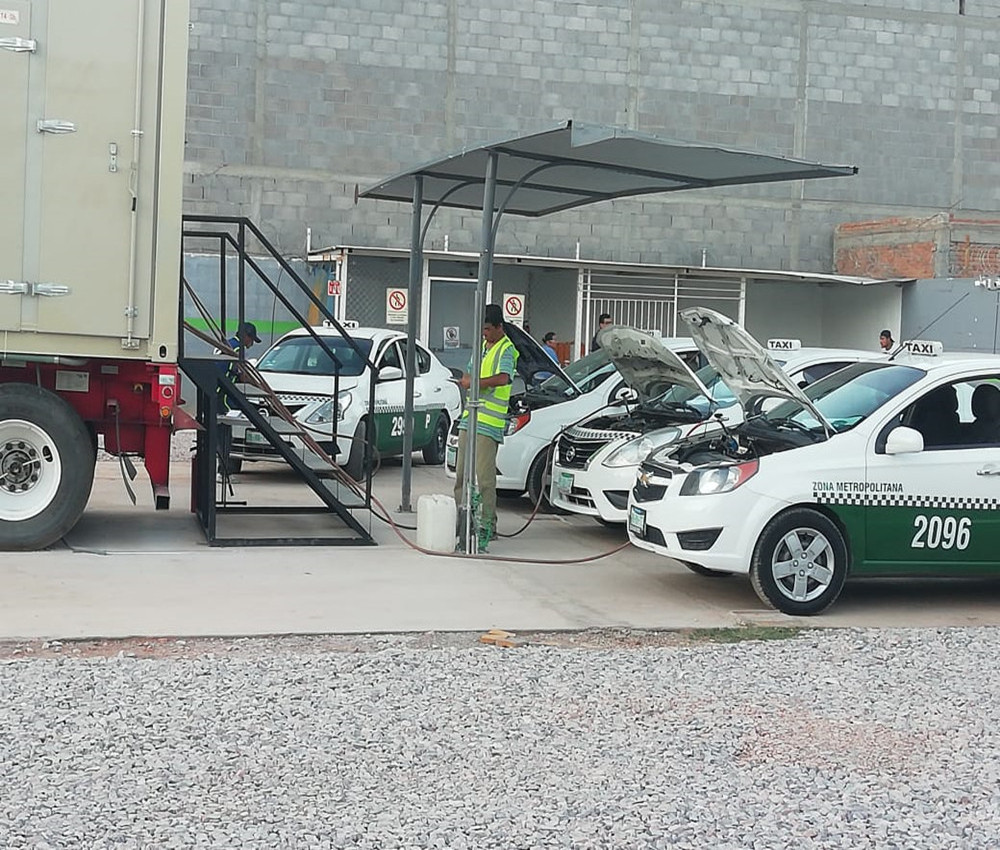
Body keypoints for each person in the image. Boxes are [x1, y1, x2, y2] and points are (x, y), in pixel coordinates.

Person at [453, 304, 518, 551]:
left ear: (499, 327)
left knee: (484, 478)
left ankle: (487, 526)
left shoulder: (507, 349)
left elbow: (504, 378)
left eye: (489, 329)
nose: (485, 334)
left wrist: (476, 383)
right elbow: (470, 375)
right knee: (461, 475)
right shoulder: (482, 346)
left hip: (488, 424)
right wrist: (468, 381)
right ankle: (463, 523)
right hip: (470, 419)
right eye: (483, 329)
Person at [218, 321, 262, 413]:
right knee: (229, 414)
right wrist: (258, 386)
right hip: (223, 392)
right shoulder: (238, 349)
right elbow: (243, 376)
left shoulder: (228, 343)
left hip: (214, 387)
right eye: (251, 339)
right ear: (245, 335)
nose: (252, 343)